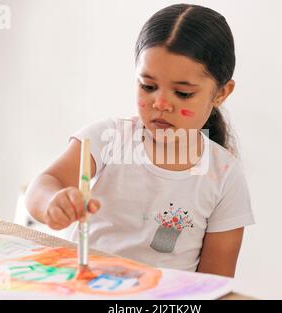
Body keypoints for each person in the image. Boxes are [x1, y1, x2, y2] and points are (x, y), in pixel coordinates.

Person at [25, 3, 255, 278]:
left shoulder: (225, 176)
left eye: (182, 93)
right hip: (84, 288)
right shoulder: (107, 139)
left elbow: (213, 284)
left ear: (221, 93)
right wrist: (52, 202)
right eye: (148, 86)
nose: (160, 103)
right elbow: (41, 187)